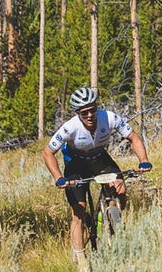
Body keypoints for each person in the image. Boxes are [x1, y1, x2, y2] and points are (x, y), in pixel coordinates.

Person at [43, 86, 151, 256]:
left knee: (120, 190)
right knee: (78, 211)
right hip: (76, 165)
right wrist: (58, 178)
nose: (89, 115)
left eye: (92, 110)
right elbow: (48, 152)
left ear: (97, 107)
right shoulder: (69, 128)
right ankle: (80, 261)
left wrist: (143, 161)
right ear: (77, 113)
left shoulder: (109, 118)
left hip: (99, 159)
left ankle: (113, 220)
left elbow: (133, 137)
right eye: (84, 112)